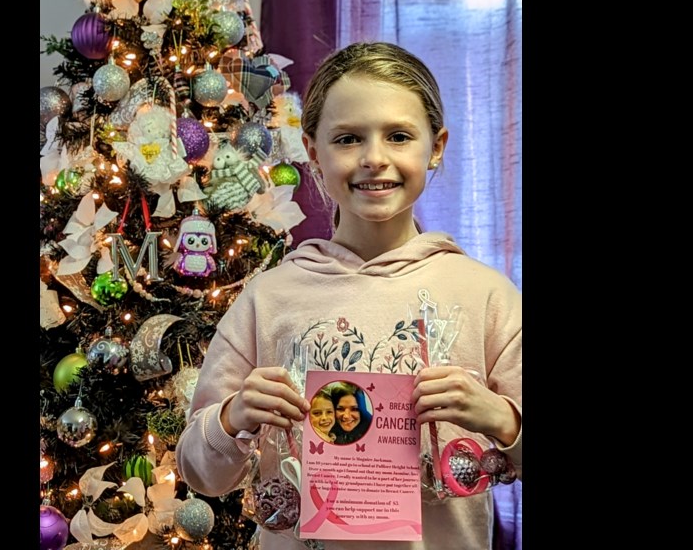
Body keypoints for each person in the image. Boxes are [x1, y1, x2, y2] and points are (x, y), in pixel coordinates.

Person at [176, 41, 522, 550]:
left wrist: (501, 419)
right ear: (313, 152)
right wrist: (233, 417)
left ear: (438, 146)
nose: (374, 158)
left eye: (400, 136)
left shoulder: (486, 295)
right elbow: (199, 473)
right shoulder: (268, 297)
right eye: (348, 138)